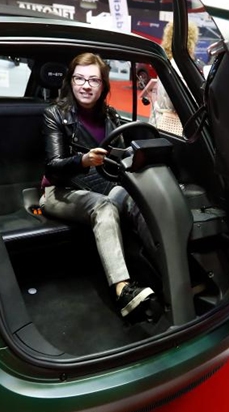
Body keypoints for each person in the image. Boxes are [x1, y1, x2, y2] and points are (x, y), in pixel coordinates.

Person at [40, 52, 155, 319]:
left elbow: (121, 155)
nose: (86, 85)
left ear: (103, 85)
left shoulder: (110, 116)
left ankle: (169, 269)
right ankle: (122, 289)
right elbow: (52, 168)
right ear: (70, 81)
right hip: (60, 190)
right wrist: (82, 160)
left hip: (99, 184)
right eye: (79, 78)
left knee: (137, 198)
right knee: (103, 207)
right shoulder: (55, 115)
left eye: (93, 80)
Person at [142, 21, 199, 135]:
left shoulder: (168, 63)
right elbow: (180, 101)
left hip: (161, 121)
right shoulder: (179, 66)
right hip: (174, 125)